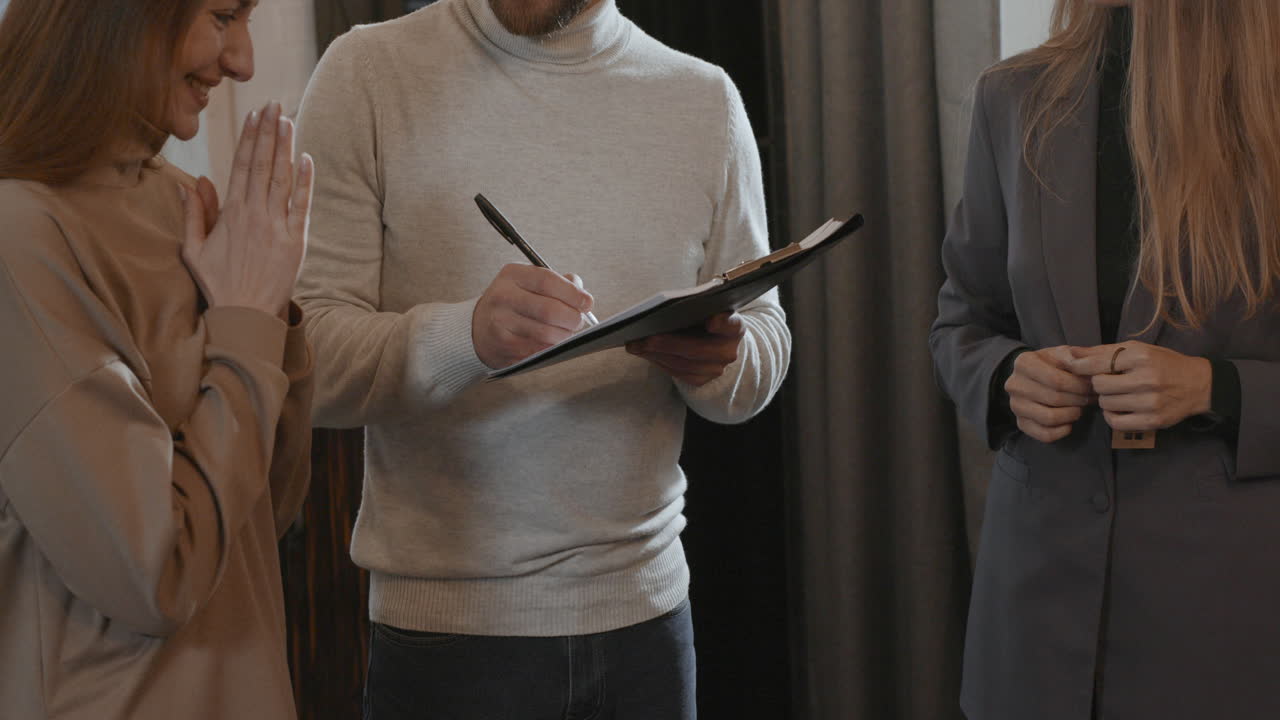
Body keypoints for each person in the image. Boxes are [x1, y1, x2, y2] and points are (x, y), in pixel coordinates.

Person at [293, 0, 791, 716]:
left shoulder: (702, 98)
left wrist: (720, 360)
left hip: (646, 622)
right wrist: (466, 338)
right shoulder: (368, 73)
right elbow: (307, 362)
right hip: (448, 637)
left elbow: (763, 338)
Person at [931, 1, 1280, 718]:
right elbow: (962, 316)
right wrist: (1004, 378)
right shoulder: (1014, 96)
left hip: (1228, 619)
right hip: (1034, 613)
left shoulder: (1269, 99)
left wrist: (1218, 388)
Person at [0, 1, 316, 718]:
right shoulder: (19, 236)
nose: (242, 61)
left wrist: (268, 306)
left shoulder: (183, 204)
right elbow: (152, 576)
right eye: (223, 15)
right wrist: (242, 326)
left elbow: (271, 511)